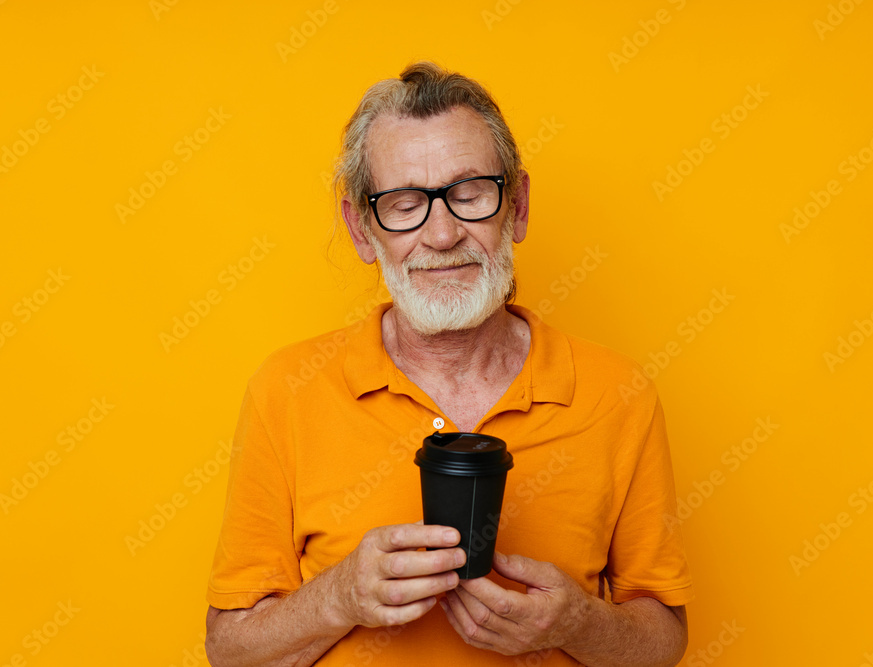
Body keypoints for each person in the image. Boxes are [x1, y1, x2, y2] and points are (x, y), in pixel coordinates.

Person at [204, 61, 694, 667]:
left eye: (468, 195)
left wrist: (578, 623)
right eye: (404, 203)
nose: (441, 234)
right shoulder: (287, 391)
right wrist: (340, 597)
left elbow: (662, 641)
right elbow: (230, 653)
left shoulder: (619, 395)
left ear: (515, 208)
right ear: (361, 231)